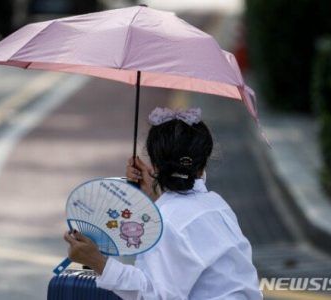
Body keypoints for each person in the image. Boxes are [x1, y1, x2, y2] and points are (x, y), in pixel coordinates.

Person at [63, 107, 263, 299]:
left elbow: (156, 296)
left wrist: (98, 262)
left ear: (155, 165)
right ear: (203, 166)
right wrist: (155, 194)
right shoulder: (216, 204)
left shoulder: (165, 222)